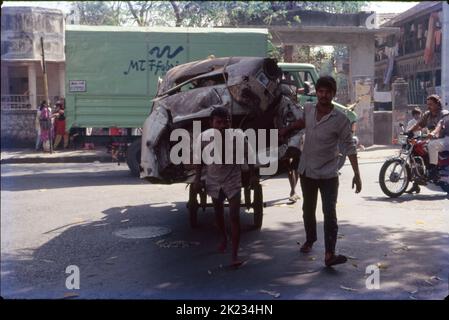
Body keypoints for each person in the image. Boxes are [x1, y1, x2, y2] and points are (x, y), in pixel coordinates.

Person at [279, 76, 362, 267]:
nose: (323, 95)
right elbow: (301, 123)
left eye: (327, 92)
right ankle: (310, 239)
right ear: (317, 93)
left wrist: (357, 175)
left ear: (333, 94)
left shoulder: (340, 119)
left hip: (328, 174)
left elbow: (349, 147)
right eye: (320, 91)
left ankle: (329, 254)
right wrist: (286, 129)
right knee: (308, 209)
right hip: (307, 170)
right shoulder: (308, 109)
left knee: (329, 212)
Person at [193, 106, 254, 268]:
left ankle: (234, 254)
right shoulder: (203, 138)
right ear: (211, 123)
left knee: (234, 216)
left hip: (233, 179)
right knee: (218, 215)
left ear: (230, 122)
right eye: (218, 122)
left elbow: (250, 156)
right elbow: (198, 161)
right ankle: (224, 238)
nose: (222, 125)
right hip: (213, 180)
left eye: (226, 122)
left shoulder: (238, 136)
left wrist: (252, 176)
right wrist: (197, 180)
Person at [407, 94, 449, 179]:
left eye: (431, 104)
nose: (428, 106)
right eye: (428, 104)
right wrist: (409, 131)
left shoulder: (444, 114)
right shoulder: (427, 114)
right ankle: (417, 176)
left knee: (431, 145)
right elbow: (419, 125)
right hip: (435, 139)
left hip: (446, 138)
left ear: (437, 104)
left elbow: (439, 125)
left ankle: (433, 169)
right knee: (416, 147)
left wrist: (433, 133)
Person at [427, 112, 449, 181]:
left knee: (431, 145)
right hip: (446, 139)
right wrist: (433, 133)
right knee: (428, 144)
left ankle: (433, 170)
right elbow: (439, 125)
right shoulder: (446, 116)